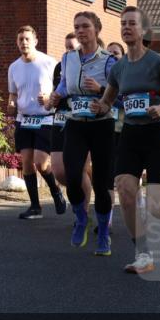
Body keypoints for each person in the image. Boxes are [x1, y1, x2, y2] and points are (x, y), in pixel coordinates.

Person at [92, 6, 160, 274]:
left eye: (131, 24)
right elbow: (108, 101)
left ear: (142, 30)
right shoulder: (119, 68)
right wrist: (99, 107)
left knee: (156, 206)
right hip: (131, 135)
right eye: (123, 24)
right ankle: (143, 254)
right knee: (125, 190)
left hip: (156, 134)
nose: (126, 28)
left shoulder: (156, 61)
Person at [46, 13, 117, 255]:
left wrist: (102, 92)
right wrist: (56, 95)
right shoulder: (68, 58)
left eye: (85, 26)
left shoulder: (109, 61)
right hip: (75, 122)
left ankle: (104, 235)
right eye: (77, 27)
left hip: (102, 125)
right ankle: (81, 218)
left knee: (101, 182)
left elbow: (121, 92)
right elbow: (65, 85)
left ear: (97, 29)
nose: (80, 31)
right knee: (71, 175)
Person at [7, 25, 66, 219]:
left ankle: (56, 191)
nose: (24, 43)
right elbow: (13, 93)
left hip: (45, 118)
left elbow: (60, 89)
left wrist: (49, 97)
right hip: (24, 119)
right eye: (20, 39)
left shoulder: (49, 63)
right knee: (27, 163)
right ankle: (35, 207)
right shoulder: (14, 67)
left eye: (27, 39)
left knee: (41, 163)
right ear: (17, 43)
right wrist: (11, 104)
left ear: (35, 41)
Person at [49, 33, 85, 208]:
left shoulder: (87, 66)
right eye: (66, 47)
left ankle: (82, 213)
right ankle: (79, 195)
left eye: (72, 47)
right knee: (58, 171)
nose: (69, 51)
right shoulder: (59, 66)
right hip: (60, 118)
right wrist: (51, 100)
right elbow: (56, 92)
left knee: (78, 170)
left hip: (80, 119)